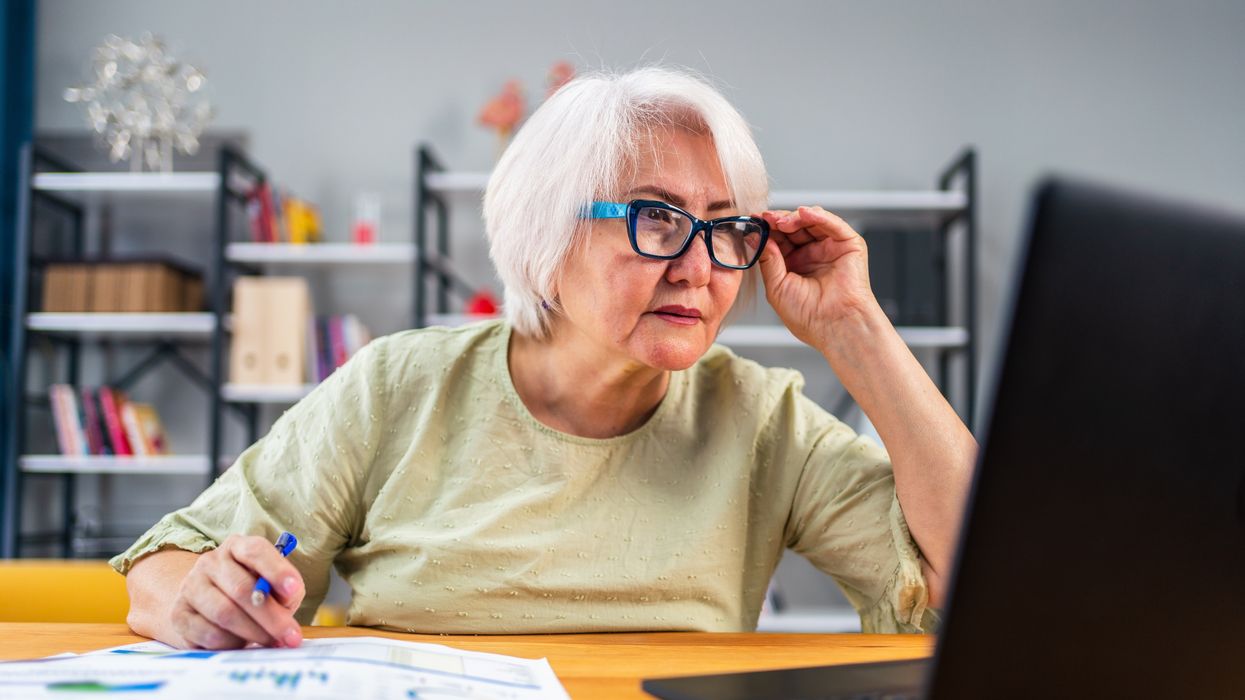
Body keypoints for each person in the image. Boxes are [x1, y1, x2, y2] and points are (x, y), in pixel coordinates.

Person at [113, 67, 976, 650]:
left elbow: (972, 584)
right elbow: (161, 569)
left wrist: (856, 327)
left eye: (724, 227)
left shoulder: (762, 420)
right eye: (657, 218)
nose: (698, 265)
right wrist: (201, 597)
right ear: (544, 237)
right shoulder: (398, 385)